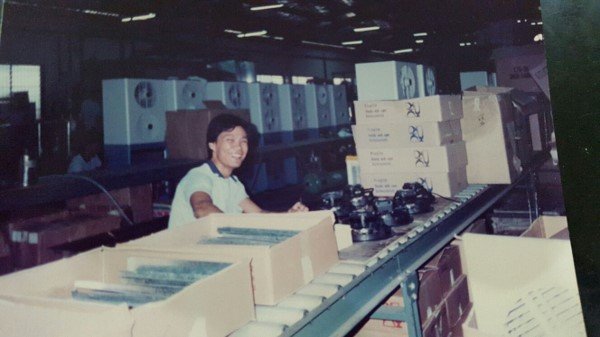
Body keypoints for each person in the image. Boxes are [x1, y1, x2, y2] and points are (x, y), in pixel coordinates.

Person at [168, 114, 308, 229]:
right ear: (213, 145)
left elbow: (257, 214)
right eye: (230, 140)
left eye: (243, 141)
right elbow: (201, 208)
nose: (239, 148)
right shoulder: (199, 176)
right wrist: (237, 227)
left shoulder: (233, 183)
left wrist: (289, 216)